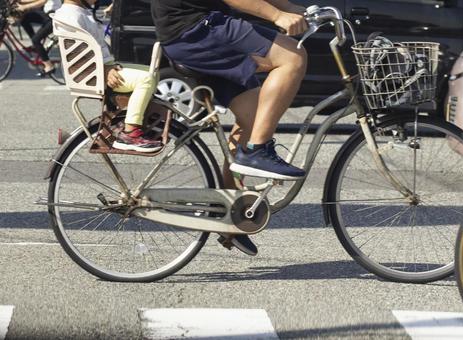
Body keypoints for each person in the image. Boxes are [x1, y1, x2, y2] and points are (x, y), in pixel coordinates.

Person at [151, 0, 309, 255]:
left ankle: (229, 214)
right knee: (293, 56)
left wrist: (292, 8)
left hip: (191, 31)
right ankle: (258, 150)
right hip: (195, 29)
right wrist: (277, 14)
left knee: (255, 116)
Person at [53, 0, 162, 152]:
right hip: (94, 74)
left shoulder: (78, 12)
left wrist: (107, 66)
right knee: (145, 79)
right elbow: (80, 53)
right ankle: (130, 133)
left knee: (149, 72)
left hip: (99, 69)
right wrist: (105, 70)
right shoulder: (71, 15)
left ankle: (134, 118)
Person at [16, 0, 61, 76]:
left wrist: (24, 6)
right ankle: (36, 47)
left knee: (36, 40)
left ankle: (49, 66)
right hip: (47, 15)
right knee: (25, 19)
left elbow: (42, 1)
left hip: (53, 17)